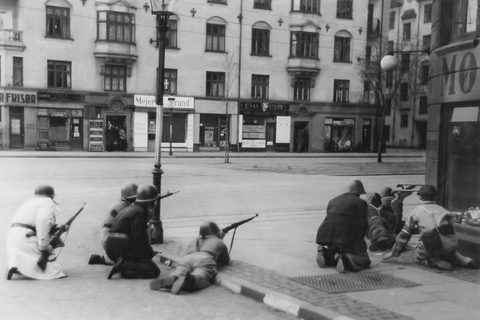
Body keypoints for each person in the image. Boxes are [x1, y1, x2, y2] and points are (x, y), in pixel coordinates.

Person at [382, 185, 480, 270]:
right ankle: (466, 261)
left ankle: (432, 260)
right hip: (450, 245)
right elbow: (452, 231)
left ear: (420, 197)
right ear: (435, 196)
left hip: (431, 246)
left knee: (420, 254)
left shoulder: (416, 211)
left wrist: (393, 253)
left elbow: (405, 234)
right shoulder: (444, 211)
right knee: (453, 254)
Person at [150, 221, 230, 294]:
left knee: (180, 269)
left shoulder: (194, 239)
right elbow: (225, 260)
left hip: (188, 257)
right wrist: (221, 240)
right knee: (201, 275)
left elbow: (187, 251)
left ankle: (174, 277)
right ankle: (188, 280)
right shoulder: (218, 242)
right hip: (205, 258)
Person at [6, 185, 67, 280]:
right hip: (26, 237)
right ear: (52, 195)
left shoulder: (29, 202)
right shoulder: (47, 202)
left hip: (14, 236)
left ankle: (17, 265)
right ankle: (30, 269)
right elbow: (43, 222)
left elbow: (32, 222)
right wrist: (44, 246)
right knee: (52, 267)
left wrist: (57, 227)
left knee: (19, 253)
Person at [106, 184, 161, 279]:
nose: (154, 205)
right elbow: (139, 239)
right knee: (154, 270)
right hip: (119, 248)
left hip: (114, 246)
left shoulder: (133, 208)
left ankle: (124, 264)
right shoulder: (140, 213)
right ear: (149, 202)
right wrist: (149, 253)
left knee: (147, 263)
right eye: (153, 202)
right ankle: (125, 267)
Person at [315, 179, 371, 273]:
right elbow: (362, 225)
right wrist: (360, 241)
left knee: (336, 249)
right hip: (345, 238)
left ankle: (325, 253)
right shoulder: (361, 203)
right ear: (358, 192)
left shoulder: (333, 200)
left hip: (326, 237)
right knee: (365, 260)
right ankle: (345, 259)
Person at [88, 182, 138, 265]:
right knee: (128, 260)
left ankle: (107, 258)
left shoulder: (122, 203)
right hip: (109, 238)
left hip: (108, 236)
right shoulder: (122, 206)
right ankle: (104, 259)